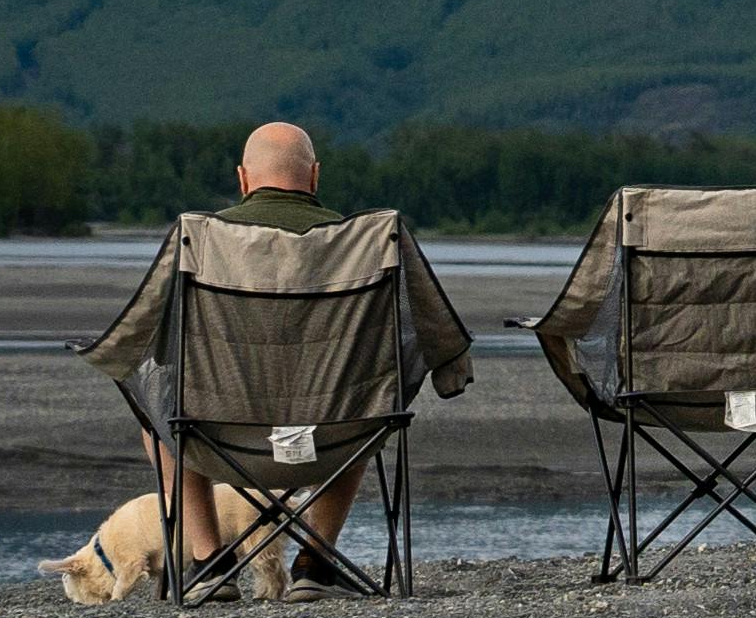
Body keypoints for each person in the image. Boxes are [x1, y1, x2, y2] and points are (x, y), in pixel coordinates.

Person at [83, 123, 476, 593]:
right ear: (314, 177)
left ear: (243, 180)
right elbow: (438, 328)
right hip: (336, 440)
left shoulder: (199, 237)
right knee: (366, 397)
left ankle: (210, 563)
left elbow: (137, 334)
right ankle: (315, 563)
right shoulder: (372, 238)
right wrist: (451, 372)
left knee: (158, 416)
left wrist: (108, 360)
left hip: (218, 439)